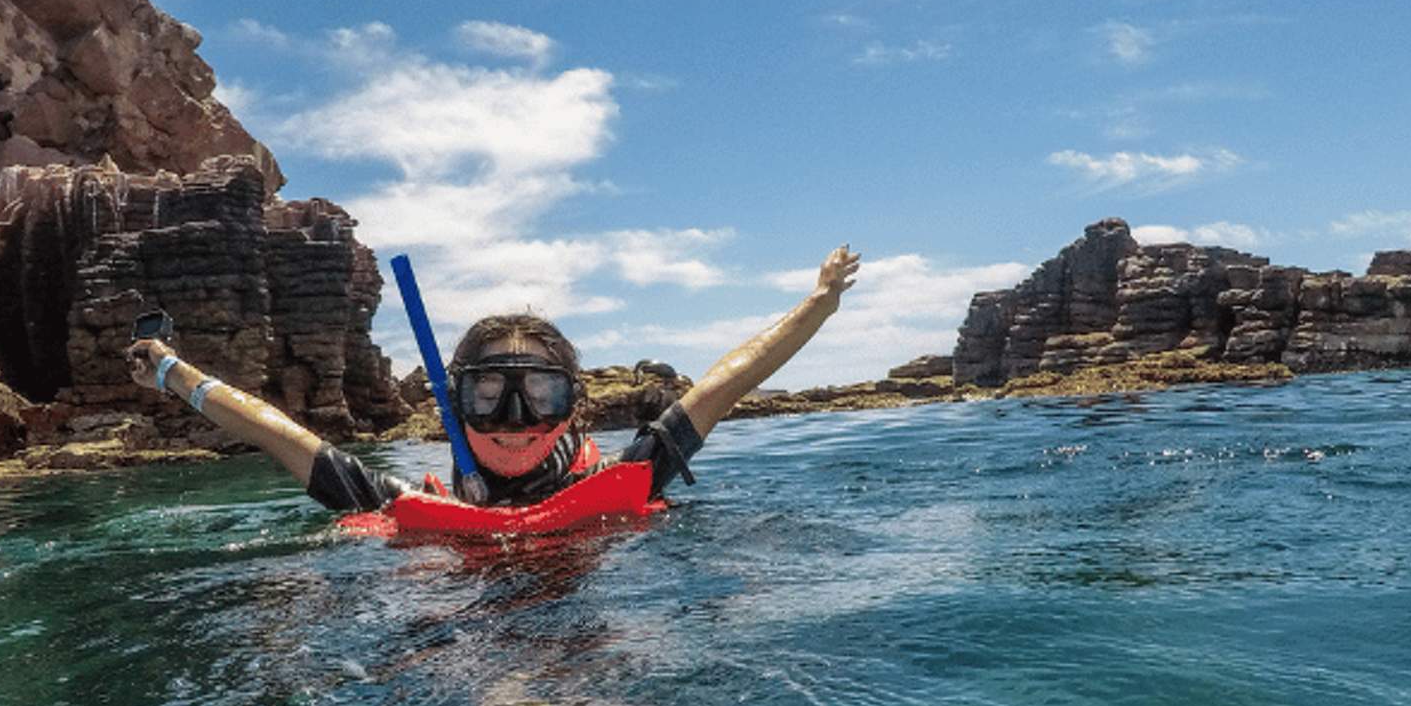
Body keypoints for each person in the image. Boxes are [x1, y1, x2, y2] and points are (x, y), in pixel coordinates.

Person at [125, 245, 860, 514]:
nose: (513, 418)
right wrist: (170, 369)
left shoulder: (627, 479)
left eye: (540, 393)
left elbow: (723, 385)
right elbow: (277, 433)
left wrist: (818, 303)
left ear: (575, 408)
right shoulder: (407, 503)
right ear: (451, 402)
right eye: (487, 394)